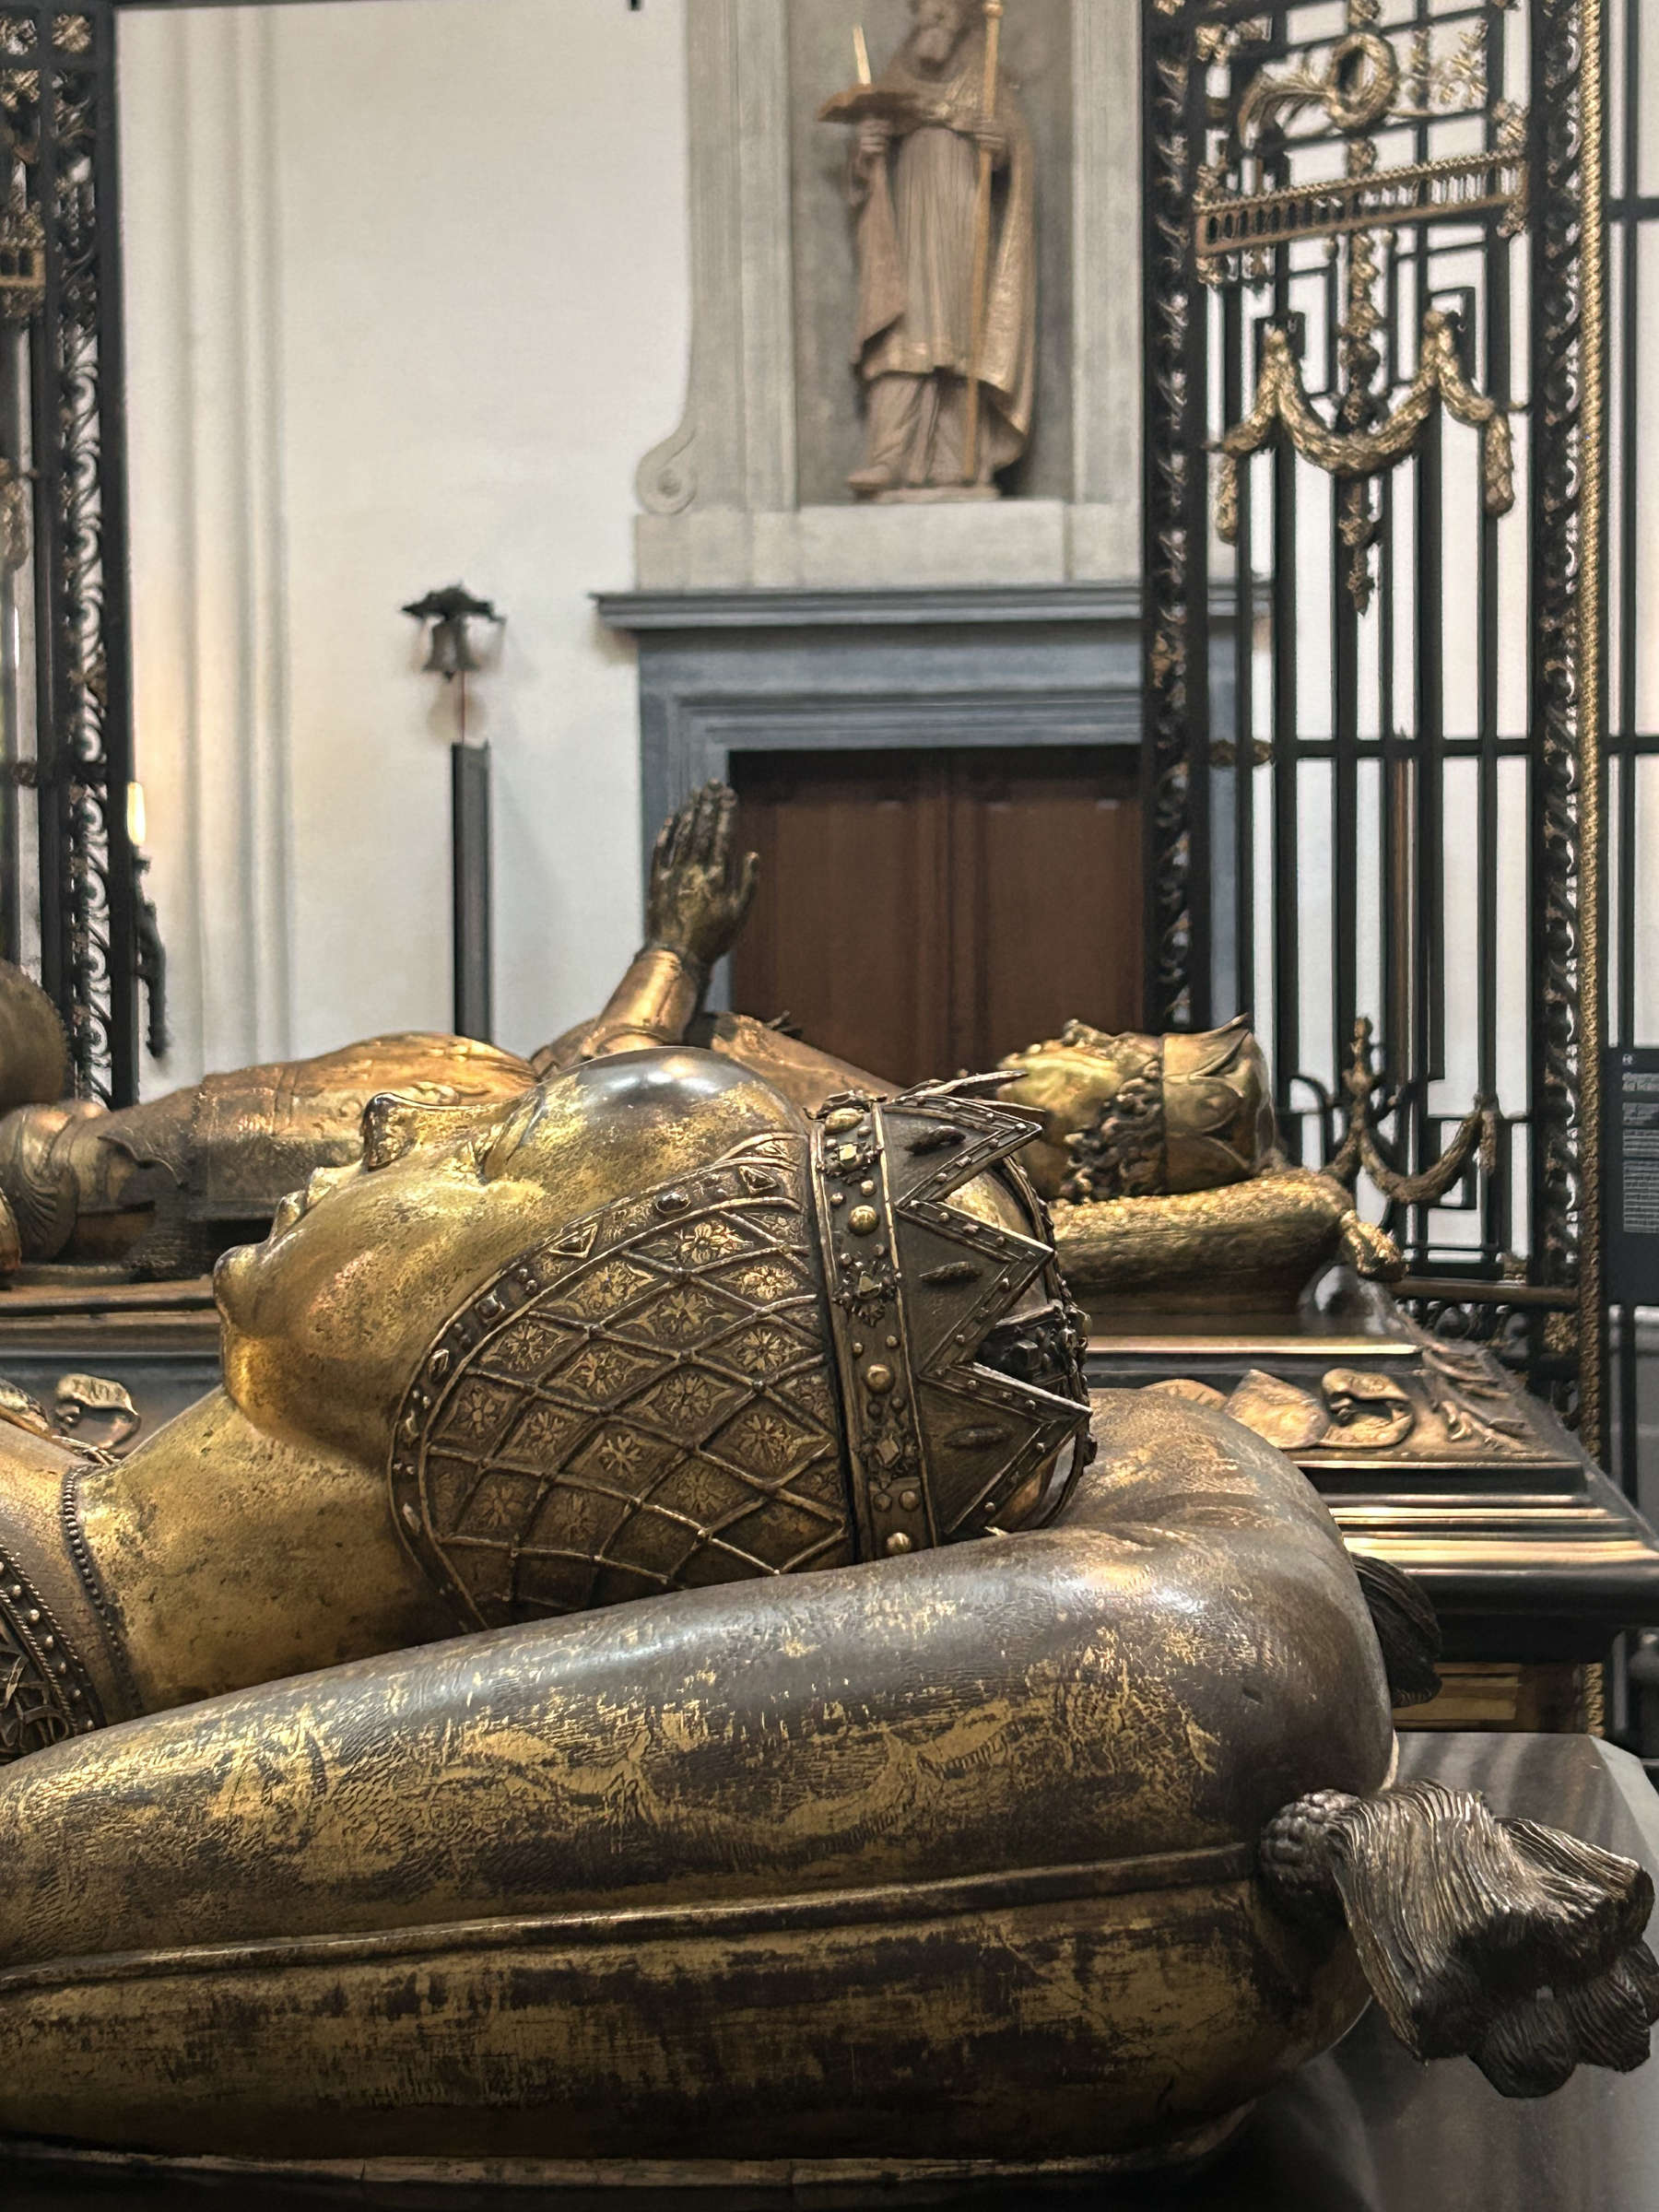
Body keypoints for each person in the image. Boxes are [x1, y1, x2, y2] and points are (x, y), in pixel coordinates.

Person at [838, 0, 1036, 496]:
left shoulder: (986, 72)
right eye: (924, 14)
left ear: (963, 20)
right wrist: (868, 149)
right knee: (903, 331)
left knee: (960, 336)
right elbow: (866, 166)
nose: (931, 24)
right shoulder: (898, 72)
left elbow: (1015, 156)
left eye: (942, 15)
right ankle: (890, 457)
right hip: (907, 224)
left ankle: (960, 458)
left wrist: (1001, 147)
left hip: (964, 219)